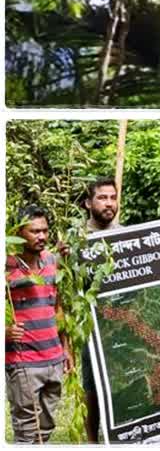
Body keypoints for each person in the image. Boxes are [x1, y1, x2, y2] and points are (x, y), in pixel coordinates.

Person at [6, 207, 70, 444]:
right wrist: (5, 332)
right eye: (34, 231)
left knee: (47, 425)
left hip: (53, 358)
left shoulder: (53, 261)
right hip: (23, 361)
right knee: (26, 427)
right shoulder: (6, 266)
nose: (42, 236)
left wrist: (66, 349)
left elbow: (58, 307)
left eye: (44, 231)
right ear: (17, 232)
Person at [79, 177, 121, 443]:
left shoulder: (126, 235)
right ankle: (92, 441)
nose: (109, 203)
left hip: (122, 320)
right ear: (88, 202)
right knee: (92, 386)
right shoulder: (77, 238)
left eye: (113, 197)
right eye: (102, 198)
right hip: (92, 324)